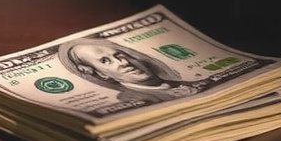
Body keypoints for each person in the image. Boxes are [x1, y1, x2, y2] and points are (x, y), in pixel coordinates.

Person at [60, 37, 204, 103]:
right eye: (105, 61)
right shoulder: (132, 100)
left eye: (119, 55)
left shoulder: (190, 81)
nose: (123, 63)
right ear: (100, 74)